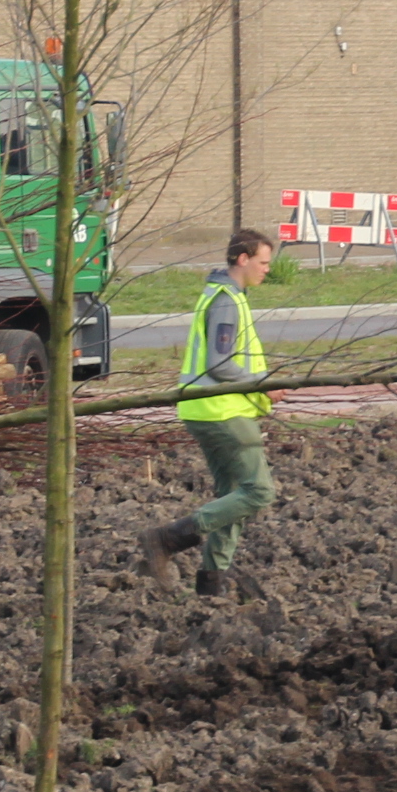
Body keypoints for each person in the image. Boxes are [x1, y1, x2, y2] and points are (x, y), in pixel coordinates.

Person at [139, 227, 278, 600]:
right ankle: (166, 539)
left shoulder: (227, 296)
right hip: (222, 411)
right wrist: (262, 383)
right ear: (243, 259)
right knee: (259, 491)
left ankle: (211, 585)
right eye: (264, 262)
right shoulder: (226, 302)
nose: (268, 270)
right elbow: (220, 364)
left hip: (207, 409)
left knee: (232, 496)